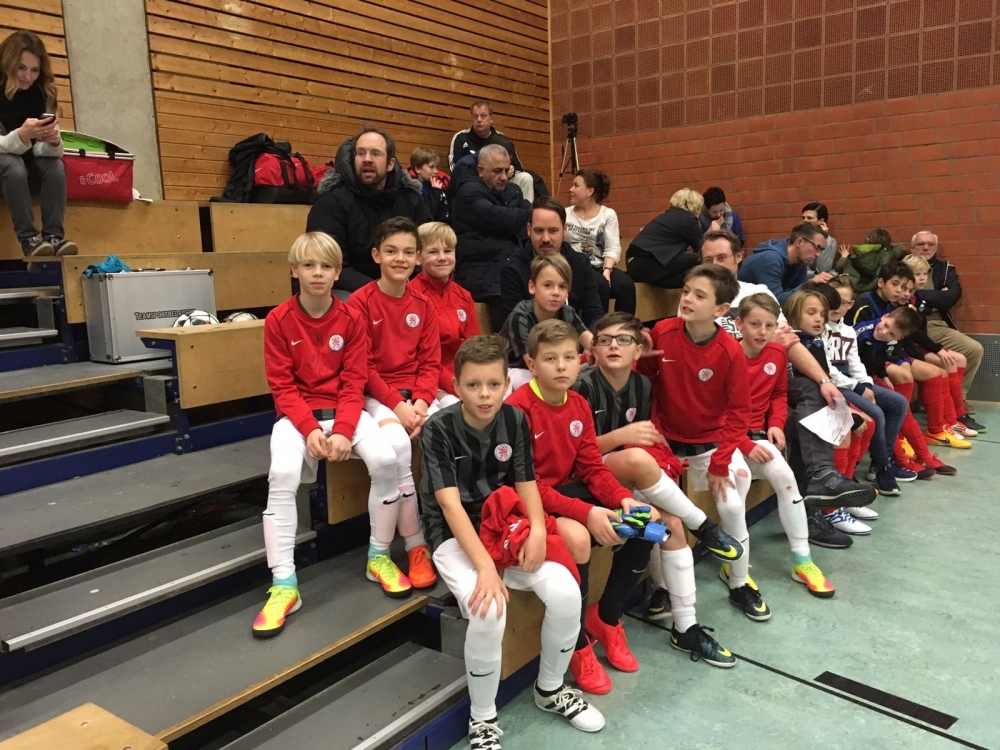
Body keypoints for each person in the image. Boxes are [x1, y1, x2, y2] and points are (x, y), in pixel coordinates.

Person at [420, 335, 606, 749]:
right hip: (453, 535)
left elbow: (526, 482)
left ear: (507, 384)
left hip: (507, 525)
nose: (484, 394)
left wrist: (538, 531)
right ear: (456, 385)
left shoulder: (515, 419)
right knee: (489, 610)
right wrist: (485, 568)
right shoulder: (438, 429)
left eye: (493, 384)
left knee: (566, 592)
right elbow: (449, 505)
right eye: (473, 385)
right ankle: (483, 719)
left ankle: (550, 689)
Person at [574, 311, 742, 670]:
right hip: (582, 478)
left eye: (624, 340)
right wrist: (621, 437)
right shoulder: (582, 388)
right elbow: (573, 454)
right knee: (637, 457)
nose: (614, 346)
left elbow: (644, 441)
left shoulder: (642, 386)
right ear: (594, 350)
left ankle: (686, 627)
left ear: (638, 351)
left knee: (668, 525)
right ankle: (704, 525)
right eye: (605, 340)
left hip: (621, 479)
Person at [253, 232, 398, 638]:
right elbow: (282, 387)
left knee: (386, 459)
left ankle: (379, 556)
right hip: (298, 417)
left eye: (326, 266)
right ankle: (284, 584)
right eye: (308, 265)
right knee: (283, 474)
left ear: (337, 273)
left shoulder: (351, 318)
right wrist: (311, 430)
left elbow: (354, 383)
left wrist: (344, 430)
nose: (317, 273)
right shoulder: (278, 320)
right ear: (294, 270)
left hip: (345, 411)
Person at [506, 319, 658, 694]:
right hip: (528, 501)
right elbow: (527, 485)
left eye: (569, 357)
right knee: (576, 537)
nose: (561, 366)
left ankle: (607, 617)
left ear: (580, 360)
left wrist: (621, 498)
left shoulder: (578, 404)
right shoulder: (517, 410)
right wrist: (586, 512)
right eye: (550, 359)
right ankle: (577, 644)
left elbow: (591, 468)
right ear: (531, 363)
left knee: (649, 522)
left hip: (567, 491)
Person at [636, 264, 767, 619]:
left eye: (699, 295)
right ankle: (662, 588)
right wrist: (643, 359)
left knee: (731, 506)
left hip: (710, 443)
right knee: (656, 515)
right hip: (664, 440)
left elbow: (740, 412)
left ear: (721, 309)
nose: (688, 299)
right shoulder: (662, 332)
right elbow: (647, 381)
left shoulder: (729, 351)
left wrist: (721, 462)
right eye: (686, 291)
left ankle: (739, 583)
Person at [348, 217, 441, 597]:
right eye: (391, 251)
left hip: (416, 397)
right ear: (376, 255)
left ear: (418, 258)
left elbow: (430, 363)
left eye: (407, 252)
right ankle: (415, 546)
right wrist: (399, 407)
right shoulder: (360, 302)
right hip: (376, 397)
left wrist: (420, 402)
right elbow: (363, 367)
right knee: (399, 446)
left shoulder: (424, 304)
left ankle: (449, 533)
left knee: (454, 432)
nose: (400, 259)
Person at [734, 293, 836, 596]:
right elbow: (714, 411)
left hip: (759, 435)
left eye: (769, 325)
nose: (762, 332)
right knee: (738, 485)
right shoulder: (727, 355)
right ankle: (735, 565)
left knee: (787, 479)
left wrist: (776, 424)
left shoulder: (778, 353)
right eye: (755, 324)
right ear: (739, 324)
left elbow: (778, 395)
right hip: (727, 440)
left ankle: (802, 561)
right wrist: (743, 444)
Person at [783, 289, 880, 536]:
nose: (819, 319)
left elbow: (826, 380)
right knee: (831, 426)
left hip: (813, 403)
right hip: (793, 406)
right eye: (811, 313)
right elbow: (798, 386)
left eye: (822, 314)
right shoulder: (788, 341)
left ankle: (841, 493)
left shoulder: (817, 341)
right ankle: (830, 508)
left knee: (863, 423)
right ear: (793, 314)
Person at [848, 261, 970, 451]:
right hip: (868, 361)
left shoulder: (895, 305)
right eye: (895, 285)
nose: (900, 291)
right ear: (881, 283)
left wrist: (902, 358)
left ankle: (939, 428)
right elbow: (859, 346)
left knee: (937, 373)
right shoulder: (864, 306)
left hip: (887, 355)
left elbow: (900, 339)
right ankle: (899, 435)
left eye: (905, 288)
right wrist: (886, 369)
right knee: (905, 375)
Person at [307, 124, 429, 293]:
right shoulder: (331, 202)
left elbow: (425, 253)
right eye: (360, 153)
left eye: (375, 153)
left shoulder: (412, 200)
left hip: (403, 286)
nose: (367, 159)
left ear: (390, 164)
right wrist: (380, 292)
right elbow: (329, 264)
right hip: (349, 289)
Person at [825, 276, 917, 491]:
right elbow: (826, 369)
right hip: (835, 385)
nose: (837, 306)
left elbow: (856, 363)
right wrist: (859, 388)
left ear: (850, 305)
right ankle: (884, 467)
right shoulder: (821, 328)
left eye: (843, 302)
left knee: (899, 403)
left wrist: (866, 385)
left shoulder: (847, 331)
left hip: (852, 381)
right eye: (833, 300)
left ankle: (881, 462)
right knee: (875, 413)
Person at [851, 296, 957, 478]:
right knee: (892, 408)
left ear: (900, 338)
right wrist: (875, 380)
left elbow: (877, 361)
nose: (884, 332)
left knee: (900, 405)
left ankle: (919, 456)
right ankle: (897, 460)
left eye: (892, 334)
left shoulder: (890, 340)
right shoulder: (861, 333)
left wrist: (883, 375)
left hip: (869, 376)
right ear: (884, 317)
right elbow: (857, 364)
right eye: (885, 326)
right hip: (855, 380)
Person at [0, 30, 76, 257]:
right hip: (8, 170)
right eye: (21, 68)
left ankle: (54, 237)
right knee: (12, 164)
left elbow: (46, 152)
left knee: (55, 166)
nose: (28, 77)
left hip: (25, 172)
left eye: (34, 70)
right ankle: (28, 239)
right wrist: (21, 135)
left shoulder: (43, 93)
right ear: (7, 64)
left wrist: (53, 142)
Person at [900, 253, 984, 435]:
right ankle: (952, 417)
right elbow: (915, 334)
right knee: (948, 363)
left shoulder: (919, 297)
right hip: (909, 348)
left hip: (918, 343)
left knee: (959, 359)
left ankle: (956, 414)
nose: (922, 278)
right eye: (917, 274)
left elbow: (921, 332)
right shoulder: (905, 300)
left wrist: (936, 348)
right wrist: (936, 349)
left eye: (925, 274)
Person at [499, 197, 603, 329]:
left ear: (564, 230)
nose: (546, 239)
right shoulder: (512, 269)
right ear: (529, 230)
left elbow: (593, 314)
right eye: (539, 230)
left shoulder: (580, 263)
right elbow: (515, 325)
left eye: (553, 231)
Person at [451, 144, 531, 315]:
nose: (504, 177)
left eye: (506, 170)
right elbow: (505, 221)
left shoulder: (513, 190)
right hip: (480, 273)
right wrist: (521, 216)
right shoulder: (468, 192)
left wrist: (517, 218)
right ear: (480, 170)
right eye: (497, 171)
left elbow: (525, 222)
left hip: (508, 265)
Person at [909, 230, 984, 410]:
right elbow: (903, 294)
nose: (926, 248)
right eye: (920, 244)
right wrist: (935, 295)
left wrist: (921, 295)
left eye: (930, 244)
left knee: (974, 349)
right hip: (912, 324)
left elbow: (951, 298)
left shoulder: (945, 269)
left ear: (936, 248)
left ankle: (958, 397)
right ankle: (931, 400)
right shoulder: (901, 267)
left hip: (938, 323)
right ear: (912, 248)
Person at [410, 221, 480, 408]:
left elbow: (473, 347)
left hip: (462, 376)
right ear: (418, 257)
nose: (442, 258)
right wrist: (457, 385)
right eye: (433, 252)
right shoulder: (410, 295)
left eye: (448, 251)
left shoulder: (463, 296)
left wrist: (476, 380)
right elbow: (417, 357)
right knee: (459, 409)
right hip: (425, 379)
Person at [499, 254, 592, 391]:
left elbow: (592, 343)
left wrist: (596, 354)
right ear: (532, 287)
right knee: (550, 380)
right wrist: (580, 360)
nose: (556, 292)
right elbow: (534, 365)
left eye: (562, 286)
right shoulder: (521, 316)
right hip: (516, 370)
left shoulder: (567, 312)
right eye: (548, 285)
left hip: (553, 365)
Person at [565, 168, 635, 314]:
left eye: (576, 185)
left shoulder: (608, 214)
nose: (571, 189)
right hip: (574, 266)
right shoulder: (565, 214)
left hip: (598, 265)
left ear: (590, 191)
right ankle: (598, 326)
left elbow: (612, 248)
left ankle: (625, 325)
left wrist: (607, 270)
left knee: (626, 285)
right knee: (599, 285)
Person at [448, 99, 535, 202]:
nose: (479, 120)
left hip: (502, 182)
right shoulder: (461, 137)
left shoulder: (502, 139)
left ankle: (526, 210)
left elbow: (519, 168)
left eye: (483, 116)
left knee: (526, 178)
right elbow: (455, 168)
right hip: (474, 183)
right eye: (475, 116)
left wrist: (511, 171)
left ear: (491, 118)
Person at [625, 188, 705, 289]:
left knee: (684, 276)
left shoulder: (665, 216)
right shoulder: (689, 219)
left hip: (634, 265)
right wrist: (713, 234)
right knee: (703, 259)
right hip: (647, 262)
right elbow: (703, 250)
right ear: (696, 206)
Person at [738, 222, 830, 303]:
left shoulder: (800, 261)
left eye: (821, 249)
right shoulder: (770, 259)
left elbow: (801, 296)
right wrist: (810, 283)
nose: (818, 254)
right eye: (817, 247)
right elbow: (775, 302)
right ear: (799, 242)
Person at [842, 228, 896, 295]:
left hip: (851, 292)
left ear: (868, 240)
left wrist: (843, 258)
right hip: (874, 293)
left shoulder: (857, 253)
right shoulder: (886, 256)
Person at [408, 146, 449, 222]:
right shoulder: (414, 191)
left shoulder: (436, 185)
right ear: (418, 169)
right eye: (431, 167)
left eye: (436, 167)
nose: (436, 171)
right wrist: (435, 192)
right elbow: (428, 216)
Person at [801, 202, 842, 276]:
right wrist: (814, 275)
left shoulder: (830, 242)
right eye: (803, 218)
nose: (805, 221)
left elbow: (823, 269)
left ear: (821, 221)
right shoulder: (799, 239)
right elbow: (798, 270)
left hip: (821, 280)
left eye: (809, 218)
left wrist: (823, 238)